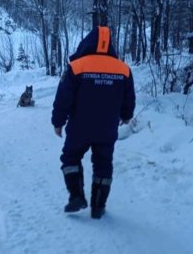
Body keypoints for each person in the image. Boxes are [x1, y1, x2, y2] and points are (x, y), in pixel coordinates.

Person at [51, 26, 136, 219]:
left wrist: (58, 121)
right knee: (103, 164)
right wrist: (126, 115)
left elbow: (64, 97)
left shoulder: (77, 66)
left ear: (87, 42)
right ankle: (98, 206)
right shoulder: (123, 69)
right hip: (107, 129)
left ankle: (76, 196)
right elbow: (128, 98)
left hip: (79, 127)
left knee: (70, 158)